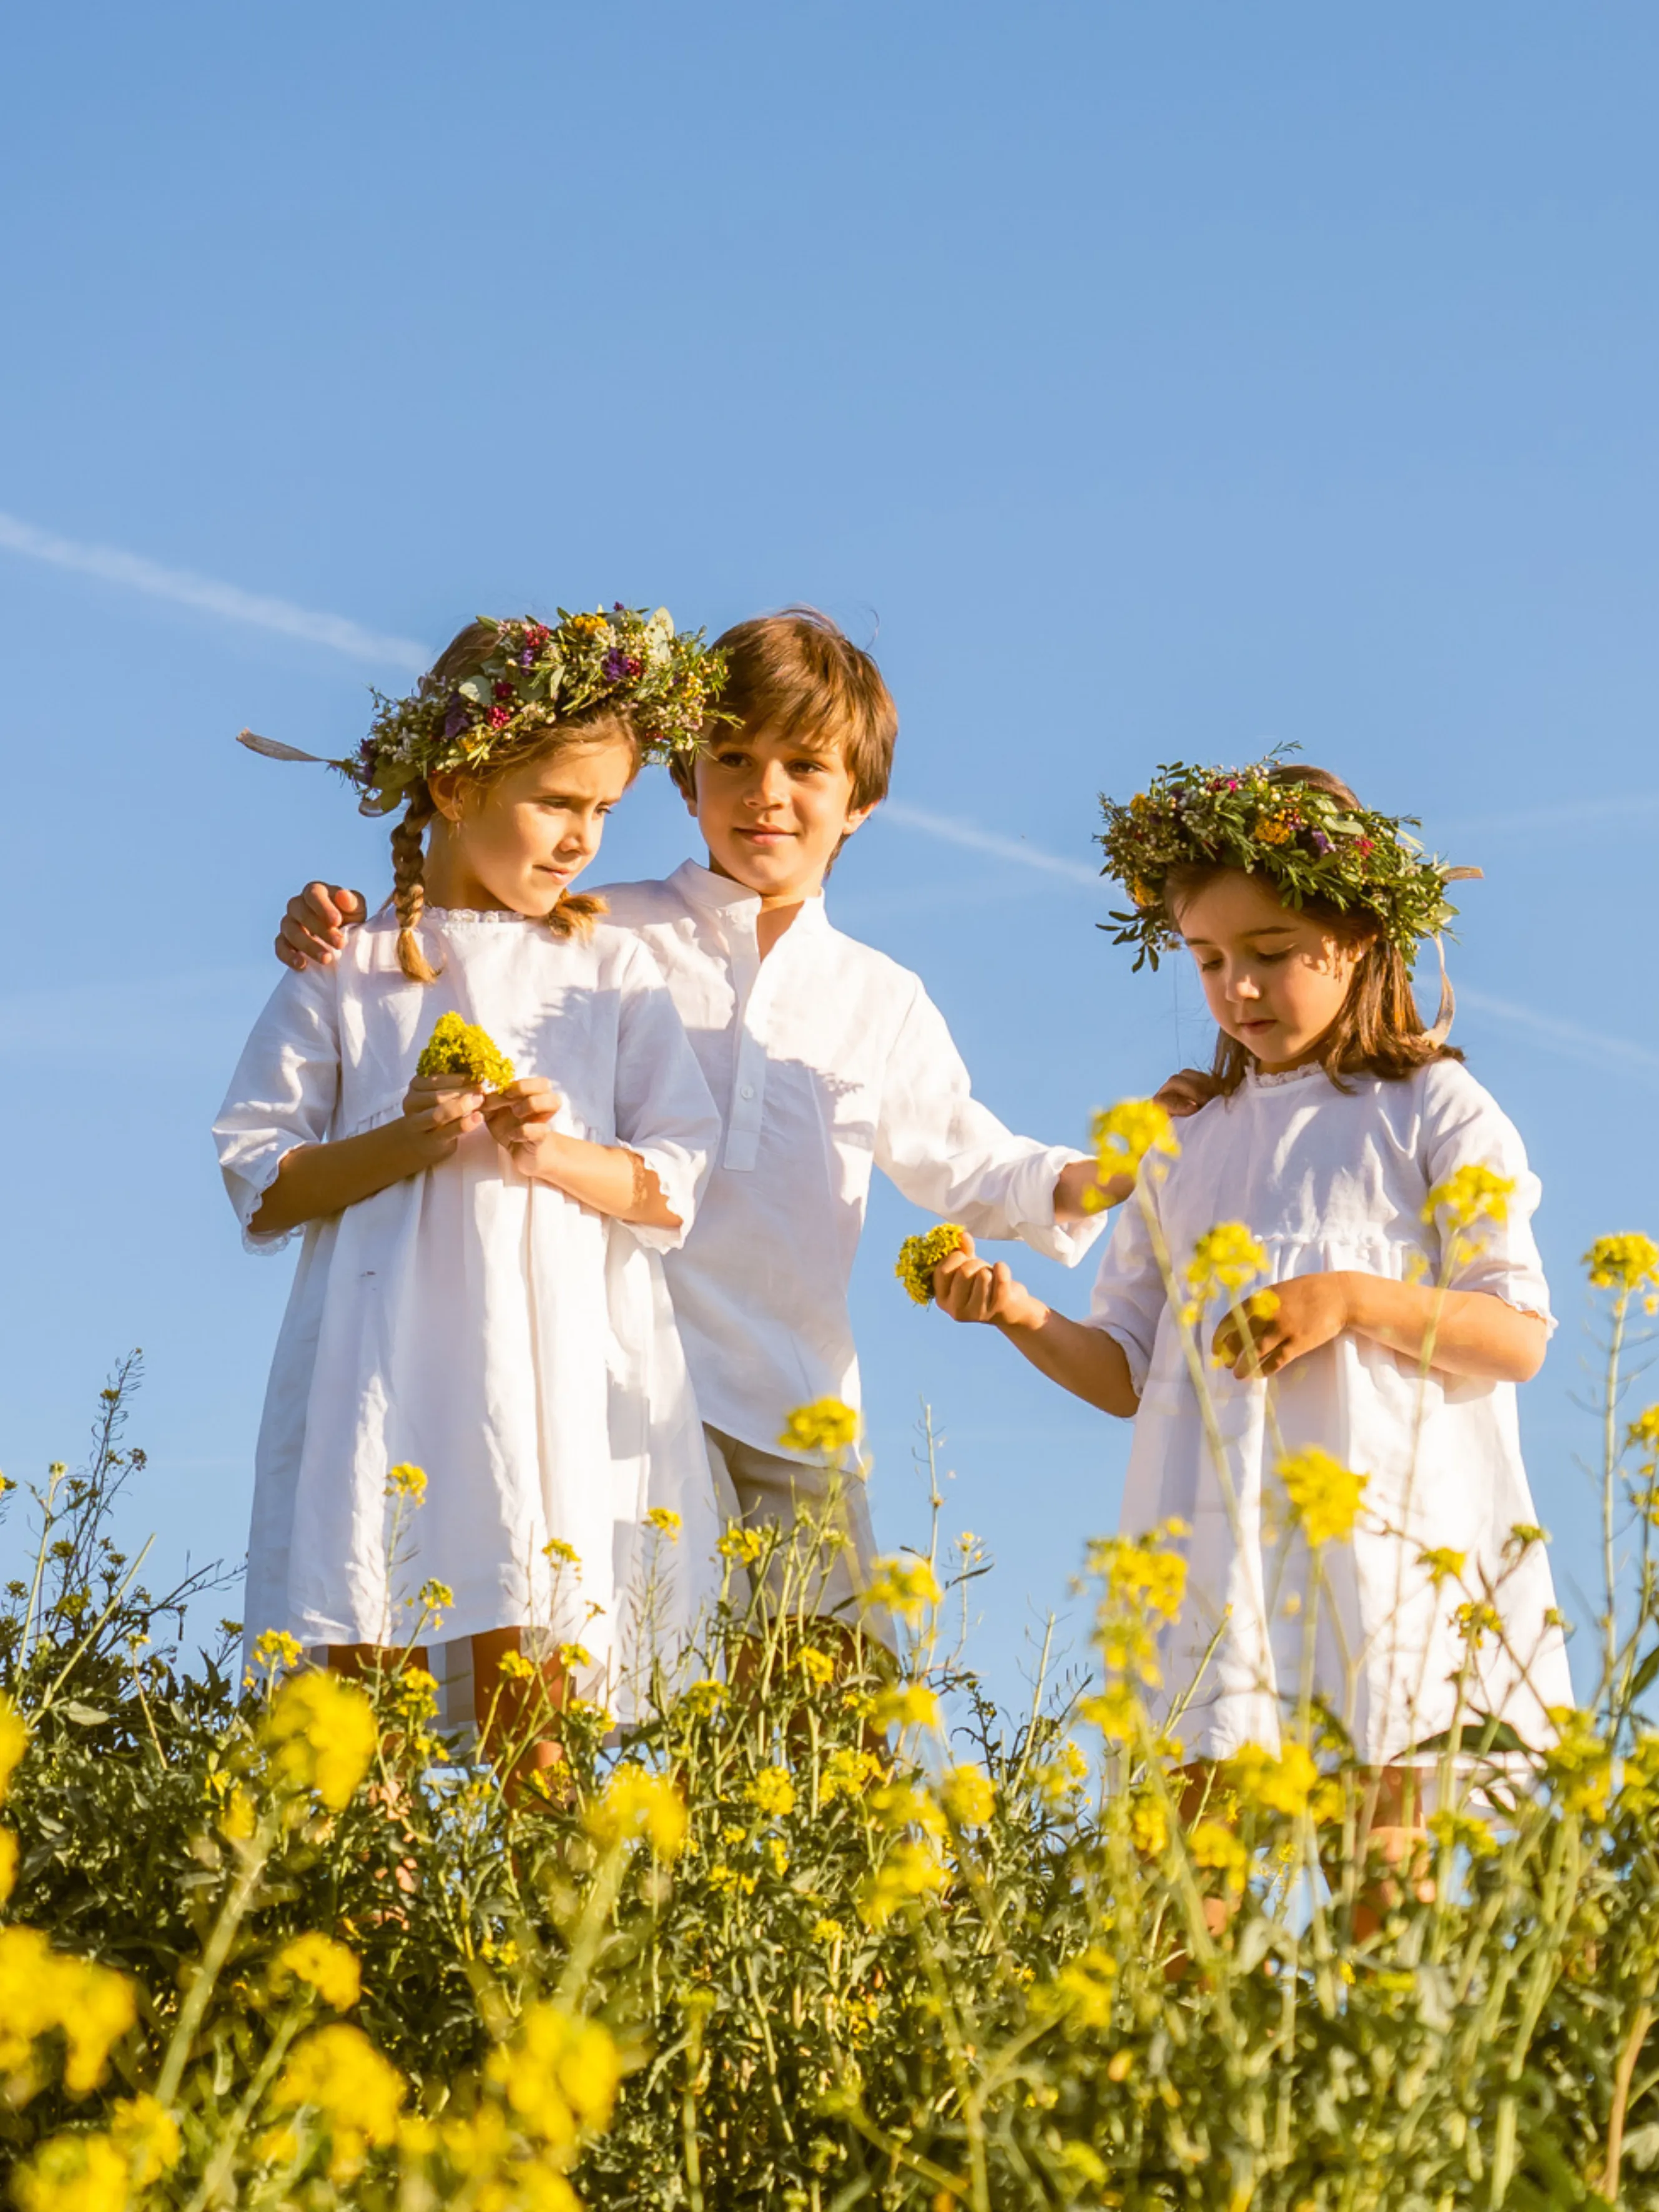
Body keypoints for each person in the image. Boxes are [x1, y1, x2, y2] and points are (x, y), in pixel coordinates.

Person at [270, 609, 1132, 1643]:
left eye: (806, 766)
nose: (767, 793)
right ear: (684, 783)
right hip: (606, 1392)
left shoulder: (879, 996)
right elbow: (455, 939)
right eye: (732, 757)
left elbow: (971, 1157)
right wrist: (339, 915)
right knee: (625, 1698)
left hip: (791, 1403)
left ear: (860, 800)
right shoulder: (594, 927)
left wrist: (1116, 1172)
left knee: (835, 1708)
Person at [930, 759, 1573, 1826]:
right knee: (1183, 1892)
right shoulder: (1182, 1138)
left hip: (1381, 1558)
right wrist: (1021, 1313)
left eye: (1272, 953)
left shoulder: (1434, 1108)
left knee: (1380, 1898)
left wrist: (1352, 1300)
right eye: (1209, 957)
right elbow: (1127, 1369)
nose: (1238, 986)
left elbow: (1517, 1335)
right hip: (1208, 1560)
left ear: (1361, 936)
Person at [215, 609, 726, 1775]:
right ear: (453, 785)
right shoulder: (348, 964)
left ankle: (543, 1949)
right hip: (380, 1362)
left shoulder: (612, 967)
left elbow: (675, 1177)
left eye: (604, 811)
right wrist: (401, 1142)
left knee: (529, 1677)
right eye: (558, 802)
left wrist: (551, 1152)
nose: (583, 841)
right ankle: (372, 1934)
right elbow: (260, 1177)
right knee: (364, 1661)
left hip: (543, 1374)